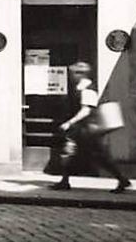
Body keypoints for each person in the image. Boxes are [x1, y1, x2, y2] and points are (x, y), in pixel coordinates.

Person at [53, 61, 131, 192]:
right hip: (81, 129)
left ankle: (122, 179)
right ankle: (64, 181)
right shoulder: (79, 88)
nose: (71, 76)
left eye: (74, 73)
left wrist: (69, 122)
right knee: (71, 153)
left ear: (81, 74)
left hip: (87, 129)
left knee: (97, 156)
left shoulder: (88, 89)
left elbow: (86, 110)